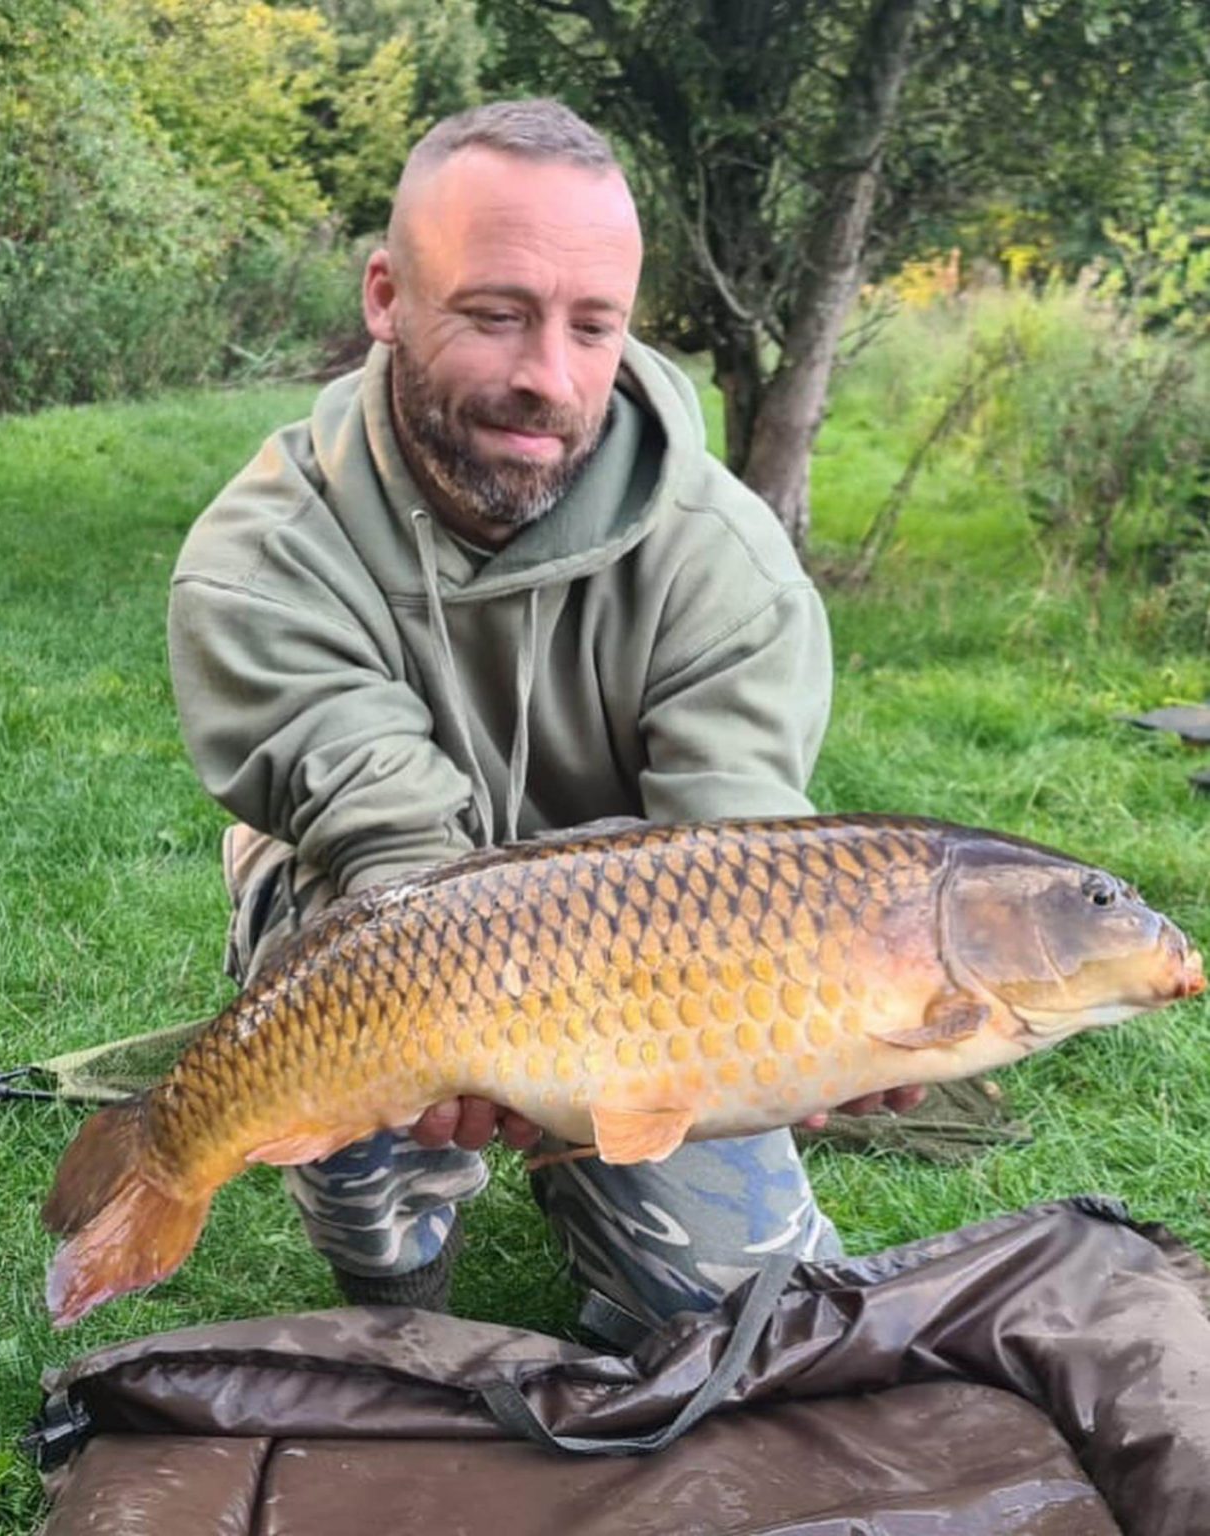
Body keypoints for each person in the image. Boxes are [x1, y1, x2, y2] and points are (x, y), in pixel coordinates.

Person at [168, 98, 921, 1346]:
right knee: (341, 1007)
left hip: (650, 933)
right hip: (376, 885)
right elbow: (389, 843)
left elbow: (751, 877)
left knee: (741, 1315)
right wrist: (489, 1039)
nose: (548, 378)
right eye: (495, 313)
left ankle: (631, 1238)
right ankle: (400, 1300)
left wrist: (830, 1018)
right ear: (384, 297)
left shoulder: (725, 563)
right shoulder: (259, 560)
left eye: (593, 327)